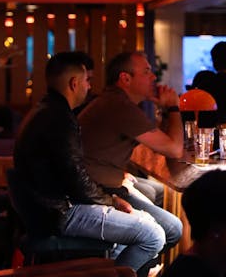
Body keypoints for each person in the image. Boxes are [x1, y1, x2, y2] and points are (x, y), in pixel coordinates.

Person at [13, 51, 167, 277]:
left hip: (45, 210)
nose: (89, 87)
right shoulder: (60, 120)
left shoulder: (43, 111)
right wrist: (112, 201)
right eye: (87, 81)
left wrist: (110, 201)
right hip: (61, 213)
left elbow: (71, 175)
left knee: (134, 231)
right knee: (153, 234)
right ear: (74, 83)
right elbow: (75, 179)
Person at [78, 50, 183, 253]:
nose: (153, 77)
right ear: (125, 78)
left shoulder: (115, 102)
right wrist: (173, 108)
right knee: (172, 229)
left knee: (156, 191)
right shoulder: (119, 106)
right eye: (146, 71)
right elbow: (174, 149)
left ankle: (129, 265)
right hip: (97, 189)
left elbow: (160, 142)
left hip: (101, 180)